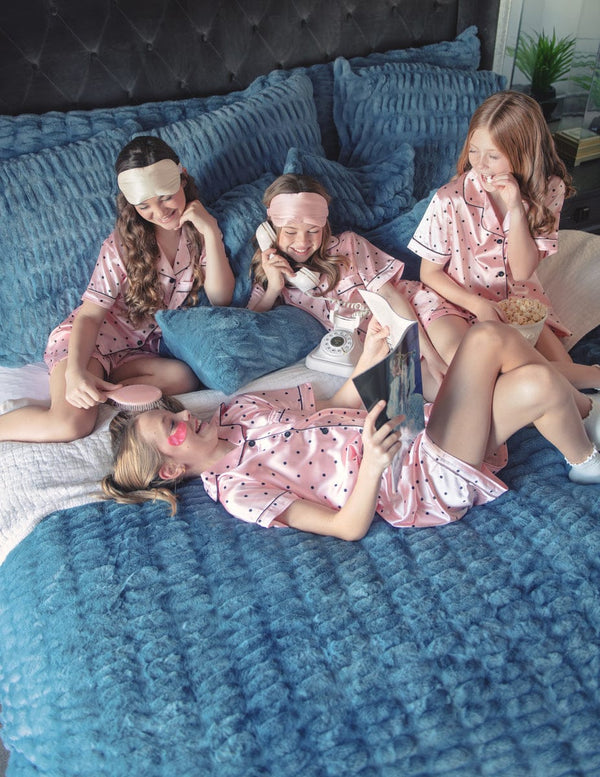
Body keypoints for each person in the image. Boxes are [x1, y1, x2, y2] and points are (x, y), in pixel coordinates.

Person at [102, 319, 600, 540]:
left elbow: (336, 405)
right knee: (504, 354)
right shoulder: (237, 490)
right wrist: (374, 462)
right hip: (413, 477)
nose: (188, 414)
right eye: (173, 425)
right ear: (170, 469)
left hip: (417, 424)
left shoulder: (240, 408)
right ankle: (586, 450)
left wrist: (373, 357)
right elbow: (346, 528)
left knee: (518, 365)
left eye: (176, 409)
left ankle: (584, 439)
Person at [0, 136, 235, 443]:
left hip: (134, 353)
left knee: (184, 377)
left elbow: (222, 298)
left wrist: (212, 233)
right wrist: (76, 373)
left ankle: (96, 389)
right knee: (70, 426)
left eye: (166, 196)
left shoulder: (198, 232)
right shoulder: (122, 246)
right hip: (89, 342)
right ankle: (56, 399)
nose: (160, 211)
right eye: (144, 205)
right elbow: (89, 316)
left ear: (183, 177)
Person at [407, 89, 600, 391]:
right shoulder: (449, 199)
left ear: (522, 152)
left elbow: (522, 271)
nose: (480, 164)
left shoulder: (549, 189)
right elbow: (428, 273)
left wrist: (516, 210)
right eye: (474, 150)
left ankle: (586, 377)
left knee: (565, 371)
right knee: (471, 368)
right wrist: (478, 306)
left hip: (516, 302)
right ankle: (591, 376)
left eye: (493, 155)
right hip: (454, 301)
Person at [247, 173, 448, 400]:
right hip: (380, 347)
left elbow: (392, 298)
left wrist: (430, 356)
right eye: (291, 232)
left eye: (313, 230)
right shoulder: (270, 272)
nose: (302, 242)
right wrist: (274, 287)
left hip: (416, 312)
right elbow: (252, 322)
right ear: (270, 232)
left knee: (455, 365)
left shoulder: (348, 246)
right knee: (446, 393)